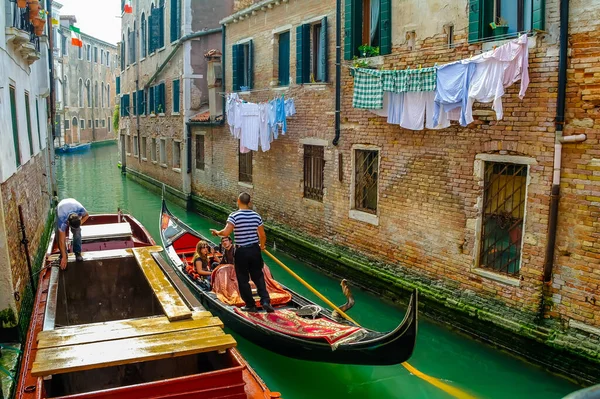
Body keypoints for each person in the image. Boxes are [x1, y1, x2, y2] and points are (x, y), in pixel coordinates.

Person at [210, 193, 274, 313]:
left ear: (238, 201)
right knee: (258, 276)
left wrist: (217, 232)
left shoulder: (234, 216)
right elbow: (263, 236)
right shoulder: (256, 216)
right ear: (249, 203)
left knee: (243, 279)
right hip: (255, 250)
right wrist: (262, 246)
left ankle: (250, 305)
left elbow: (226, 233)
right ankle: (265, 301)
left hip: (241, 251)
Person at [57, 198, 89, 270]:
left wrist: (80, 222)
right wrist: (64, 257)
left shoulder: (80, 209)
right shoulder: (61, 217)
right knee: (59, 235)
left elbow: (87, 215)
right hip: (61, 207)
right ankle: (63, 254)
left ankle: (77, 252)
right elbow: (62, 240)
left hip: (73, 204)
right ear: (68, 223)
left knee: (77, 232)